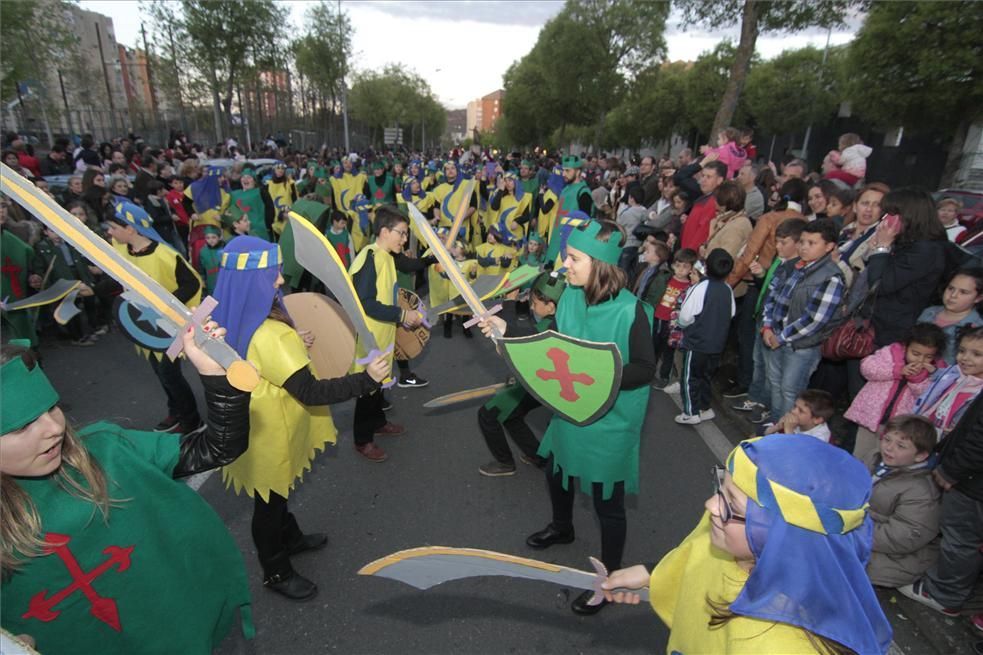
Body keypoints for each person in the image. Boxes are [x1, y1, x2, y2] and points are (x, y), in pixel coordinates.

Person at [0, 328, 255, 654]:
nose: (53, 429)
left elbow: (217, 447)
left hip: (195, 632)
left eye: (51, 408)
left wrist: (216, 378)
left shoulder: (107, 450)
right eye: (23, 426)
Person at [479, 220, 656, 615]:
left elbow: (645, 368)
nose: (566, 265)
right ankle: (563, 527)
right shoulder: (571, 297)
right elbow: (552, 347)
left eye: (574, 258)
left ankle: (610, 578)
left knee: (607, 503)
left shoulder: (633, 312)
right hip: (570, 410)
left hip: (611, 421)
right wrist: (506, 334)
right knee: (556, 471)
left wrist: (596, 373)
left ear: (601, 264)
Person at [211, 236, 390, 600]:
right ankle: (276, 570)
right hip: (270, 431)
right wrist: (367, 379)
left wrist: (295, 338)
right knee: (269, 505)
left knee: (277, 494)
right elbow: (310, 391)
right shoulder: (270, 334)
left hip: (260, 424)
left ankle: (290, 538)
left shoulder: (230, 315)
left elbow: (258, 357)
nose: (280, 281)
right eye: (274, 274)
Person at [601, 434, 893, 655]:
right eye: (721, 489)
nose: (711, 505)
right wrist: (652, 574)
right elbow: (695, 557)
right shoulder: (732, 539)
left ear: (784, 536)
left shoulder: (775, 645)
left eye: (733, 504)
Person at [105, 200, 204, 435]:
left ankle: (192, 420)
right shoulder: (120, 250)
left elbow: (192, 283)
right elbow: (116, 277)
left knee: (170, 374)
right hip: (144, 326)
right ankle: (177, 411)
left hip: (167, 328)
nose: (109, 232)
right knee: (161, 374)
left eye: (113, 228)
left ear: (130, 228)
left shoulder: (165, 255)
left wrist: (164, 305)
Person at [349, 206, 427, 462]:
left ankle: (378, 422)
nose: (405, 239)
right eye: (402, 233)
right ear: (384, 231)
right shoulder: (370, 257)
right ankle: (363, 439)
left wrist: (400, 317)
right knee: (367, 390)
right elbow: (365, 303)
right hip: (368, 336)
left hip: (382, 333)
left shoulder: (386, 256)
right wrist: (403, 316)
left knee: (379, 384)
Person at [899, 391, 983, 619]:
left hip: (972, 482)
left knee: (961, 539)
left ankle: (944, 595)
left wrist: (952, 469)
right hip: (970, 476)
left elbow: (979, 438)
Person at [477, 271, 565, 477]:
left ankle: (505, 463)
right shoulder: (559, 319)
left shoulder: (552, 328)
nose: (532, 306)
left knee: (488, 415)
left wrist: (507, 311)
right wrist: (510, 302)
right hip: (537, 382)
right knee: (512, 417)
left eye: (535, 303)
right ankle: (538, 456)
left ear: (551, 306)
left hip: (533, 385)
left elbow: (527, 339)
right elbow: (522, 333)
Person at [761, 219, 845, 419]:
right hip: (775, 337)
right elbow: (774, 295)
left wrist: (780, 337)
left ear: (829, 246)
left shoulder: (831, 277)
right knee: (774, 383)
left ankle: (786, 436)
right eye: (803, 242)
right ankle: (776, 425)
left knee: (790, 391)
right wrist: (767, 326)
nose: (804, 247)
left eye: (812, 243)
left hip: (800, 346)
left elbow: (814, 320)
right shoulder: (796, 266)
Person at [731, 218, 808, 423]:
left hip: (776, 328)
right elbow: (770, 289)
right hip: (764, 319)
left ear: (798, 243)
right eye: (778, 242)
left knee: (775, 375)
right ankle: (756, 399)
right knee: (759, 363)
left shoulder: (796, 268)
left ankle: (772, 412)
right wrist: (760, 275)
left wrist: (771, 327)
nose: (778, 246)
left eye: (784, 242)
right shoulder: (779, 260)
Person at [846, 323, 947, 460]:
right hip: (870, 416)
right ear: (905, 346)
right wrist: (897, 371)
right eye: (915, 353)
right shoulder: (891, 353)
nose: (920, 360)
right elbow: (867, 368)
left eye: (928, 357)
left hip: (899, 426)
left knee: (887, 456)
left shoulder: (937, 371)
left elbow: (927, 397)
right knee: (861, 454)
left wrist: (916, 379)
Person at [865, 415, 942, 589]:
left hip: (896, 557)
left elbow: (903, 537)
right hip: (866, 530)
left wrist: (853, 529)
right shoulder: (875, 458)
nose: (889, 448)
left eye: (901, 446)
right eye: (887, 440)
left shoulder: (921, 490)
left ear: (921, 456)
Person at [675, 249, 736, 425]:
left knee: (690, 377)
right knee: (706, 376)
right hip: (717, 344)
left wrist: (684, 326)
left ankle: (690, 412)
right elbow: (731, 313)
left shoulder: (700, 287)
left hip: (697, 342)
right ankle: (704, 408)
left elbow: (685, 316)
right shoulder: (727, 289)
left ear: (706, 267)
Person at [913, 326, 983, 441]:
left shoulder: (979, 392)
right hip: (924, 436)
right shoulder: (953, 374)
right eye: (961, 351)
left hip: (947, 446)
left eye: (977, 354)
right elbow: (939, 378)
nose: (965, 358)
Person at [647, 247, 697, 389]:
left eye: (685, 266)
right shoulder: (664, 278)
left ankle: (664, 376)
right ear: (673, 265)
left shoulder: (690, 287)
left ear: (691, 269)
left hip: (673, 323)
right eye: (678, 265)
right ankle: (649, 372)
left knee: (668, 351)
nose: (681, 269)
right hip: (657, 318)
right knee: (653, 348)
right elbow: (652, 295)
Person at [917, 268, 983, 364]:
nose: (953, 295)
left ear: (978, 298)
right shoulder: (929, 312)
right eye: (951, 288)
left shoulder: (977, 328)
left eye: (963, 292)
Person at [679, 160, 726, 251]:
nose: (703, 180)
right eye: (703, 176)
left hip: (690, 256)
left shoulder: (714, 202)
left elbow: (703, 233)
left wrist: (688, 254)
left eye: (709, 177)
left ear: (719, 180)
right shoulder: (705, 197)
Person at [763, 389, 834, 442]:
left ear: (817, 420)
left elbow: (797, 456)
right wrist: (778, 426)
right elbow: (762, 433)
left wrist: (789, 431)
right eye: (794, 406)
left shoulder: (819, 439)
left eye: (801, 411)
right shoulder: (798, 422)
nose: (793, 411)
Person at [197, 226, 225, 296]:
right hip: (211, 285)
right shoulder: (203, 252)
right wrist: (203, 280)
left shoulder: (225, 249)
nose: (211, 240)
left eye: (213, 237)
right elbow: (201, 269)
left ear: (219, 237)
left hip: (224, 284)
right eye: (208, 238)